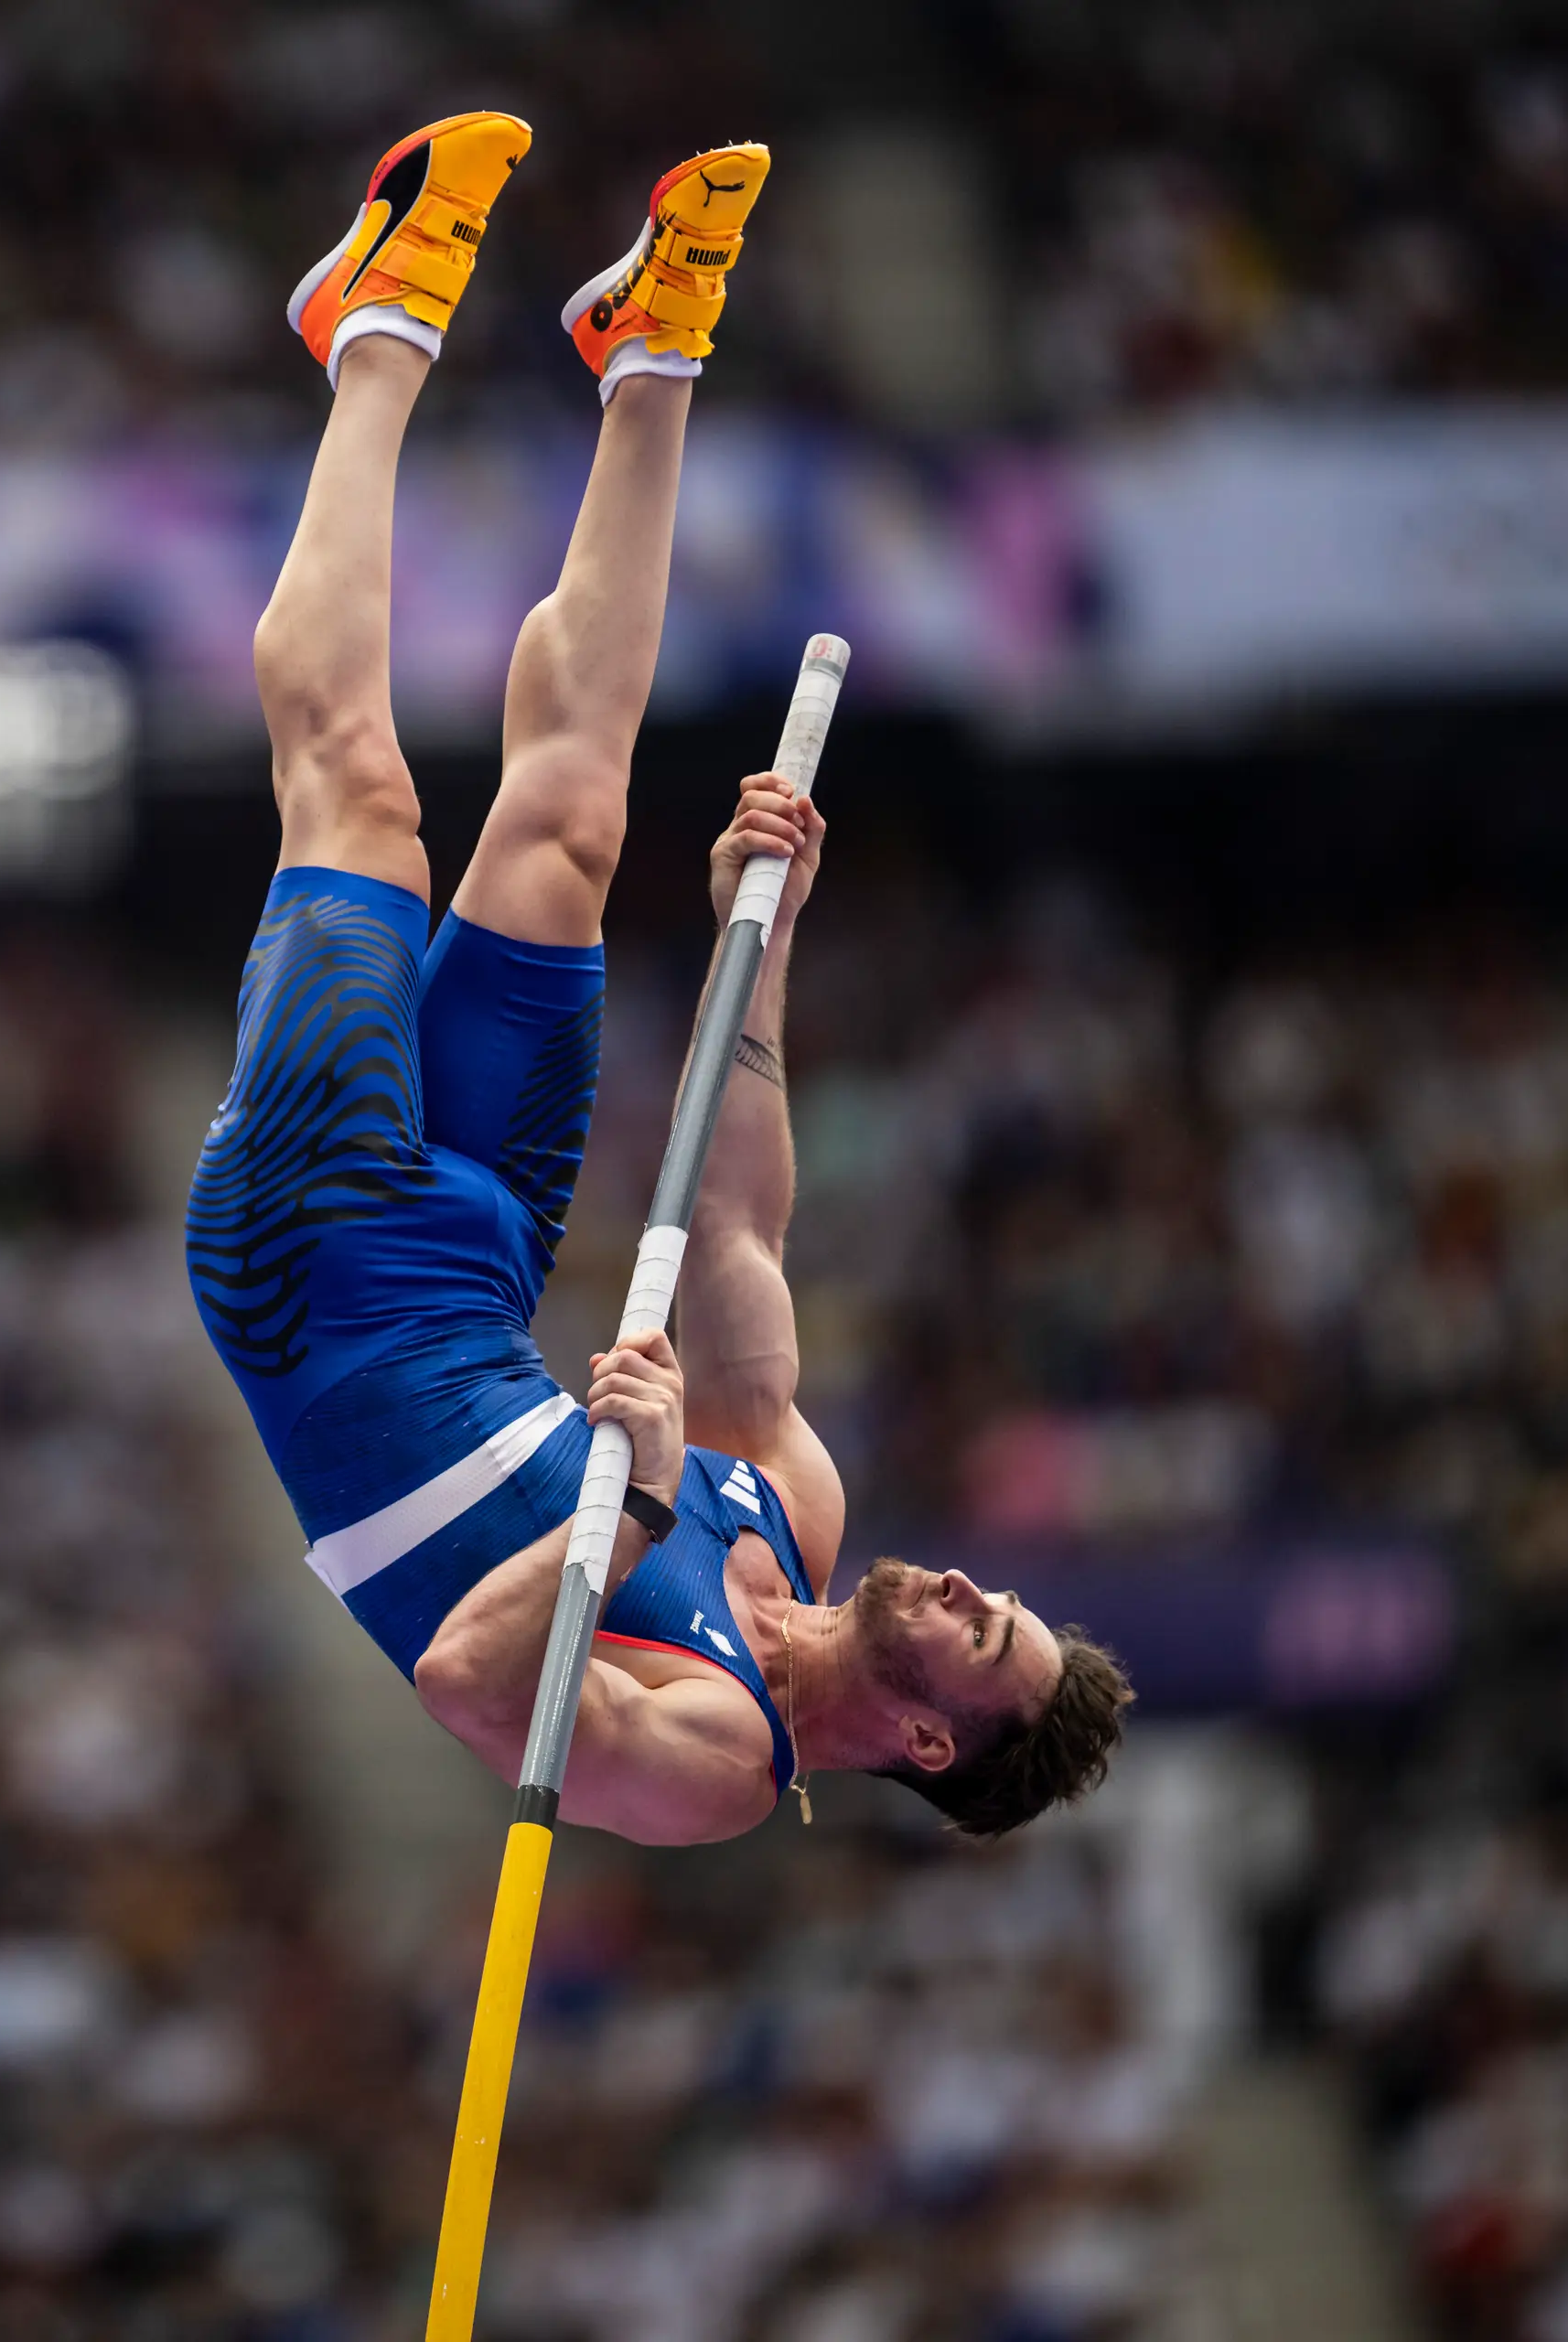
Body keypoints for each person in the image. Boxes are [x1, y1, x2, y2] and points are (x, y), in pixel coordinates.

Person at [188, 113, 1133, 1847]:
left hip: (315, 1293)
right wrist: (755, 939)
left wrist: (617, 1521)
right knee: (569, 822)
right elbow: (745, 1232)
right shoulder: (794, 1510)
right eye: (996, 1596)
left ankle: (372, 333)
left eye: (977, 1629)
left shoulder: (713, 1762)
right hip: (480, 1258)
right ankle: (652, 351)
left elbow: (474, 1690)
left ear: (929, 1742)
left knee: (365, 793)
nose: (961, 1582)